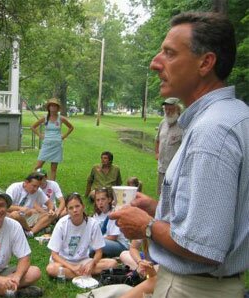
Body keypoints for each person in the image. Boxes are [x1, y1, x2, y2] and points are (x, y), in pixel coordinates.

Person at [110, 12, 248, 297]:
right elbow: (218, 215)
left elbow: (204, 246)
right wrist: (158, 207)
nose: (155, 63)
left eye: (169, 53)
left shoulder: (213, 131)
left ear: (205, 63)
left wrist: (146, 226)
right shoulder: (236, 116)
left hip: (194, 289)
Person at [46, 193, 117, 279]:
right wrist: (72, 267)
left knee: (112, 263)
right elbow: (54, 255)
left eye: (77, 206)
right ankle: (83, 273)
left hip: (83, 261)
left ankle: (75, 274)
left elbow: (99, 251)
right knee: (51, 268)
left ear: (83, 207)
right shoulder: (61, 224)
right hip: (64, 262)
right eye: (71, 208)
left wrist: (92, 263)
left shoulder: (93, 224)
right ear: (67, 211)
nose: (75, 210)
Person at [31, 98, 74, 181]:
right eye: (51, 106)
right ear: (49, 107)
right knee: (38, 166)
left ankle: (52, 187)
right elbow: (33, 127)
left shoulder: (61, 118)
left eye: (55, 106)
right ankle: (32, 182)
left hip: (57, 145)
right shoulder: (45, 118)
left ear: (57, 108)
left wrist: (63, 136)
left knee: (53, 169)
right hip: (46, 145)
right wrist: (40, 135)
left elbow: (71, 127)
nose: (53, 108)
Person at [6, 172, 56, 237]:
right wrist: (19, 208)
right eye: (34, 186)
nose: (35, 189)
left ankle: (30, 232)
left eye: (38, 186)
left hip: (27, 217)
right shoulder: (14, 188)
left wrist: (51, 210)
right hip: (13, 216)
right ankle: (30, 229)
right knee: (15, 214)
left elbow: (49, 203)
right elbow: (6, 207)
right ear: (26, 182)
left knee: (52, 216)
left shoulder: (38, 191)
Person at [155, 97, 183, 195]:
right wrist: (157, 153)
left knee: (172, 196)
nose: (167, 111)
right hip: (162, 168)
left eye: (170, 109)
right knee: (161, 195)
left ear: (177, 109)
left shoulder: (183, 125)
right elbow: (157, 140)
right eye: (165, 109)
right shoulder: (162, 123)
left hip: (175, 170)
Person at [90, 187, 129, 258]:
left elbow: (113, 237)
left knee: (97, 244)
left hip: (120, 244)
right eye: (98, 200)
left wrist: (95, 240)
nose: (100, 202)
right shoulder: (96, 215)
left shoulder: (114, 214)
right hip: (103, 241)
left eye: (103, 199)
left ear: (109, 199)